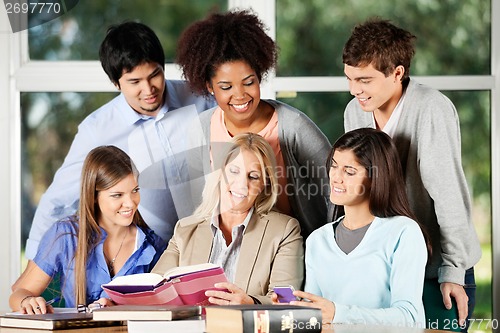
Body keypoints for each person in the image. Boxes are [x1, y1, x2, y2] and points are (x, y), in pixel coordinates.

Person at [18, 21, 215, 290]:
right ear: (115, 82)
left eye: (155, 75)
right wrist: (34, 267)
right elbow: (57, 201)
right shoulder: (97, 129)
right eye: (134, 82)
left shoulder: (200, 97)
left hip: (211, 247)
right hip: (151, 260)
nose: (149, 90)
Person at [342, 18, 481, 331]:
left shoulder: (431, 109)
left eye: (364, 80)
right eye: (350, 78)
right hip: (390, 268)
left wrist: (453, 272)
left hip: (439, 271)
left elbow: (449, 196)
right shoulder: (355, 112)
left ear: (397, 73)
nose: (354, 90)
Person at [175, 9, 334, 240]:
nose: (240, 95)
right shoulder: (200, 129)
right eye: (226, 87)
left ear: (259, 77)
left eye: (248, 82)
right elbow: (198, 206)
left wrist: (329, 245)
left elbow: (336, 186)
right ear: (209, 87)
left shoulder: (293, 126)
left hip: (291, 245)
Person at [280, 128, 429, 327]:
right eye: (334, 166)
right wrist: (293, 308)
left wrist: (338, 313)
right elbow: (317, 312)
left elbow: (410, 318)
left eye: (349, 171)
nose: (336, 177)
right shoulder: (318, 239)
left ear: (376, 178)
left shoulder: (403, 232)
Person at [10, 146, 167, 313]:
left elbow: (165, 307)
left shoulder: (152, 245)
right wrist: (27, 301)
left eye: (135, 190)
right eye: (117, 195)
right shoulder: (66, 235)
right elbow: (18, 293)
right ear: (93, 196)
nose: (131, 203)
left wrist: (121, 308)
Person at [152, 133, 304, 305]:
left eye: (253, 177)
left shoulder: (284, 230)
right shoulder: (185, 229)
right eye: (234, 171)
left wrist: (250, 303)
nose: (241, 185)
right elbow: (153, 289)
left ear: (264, 184)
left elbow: (288, 299)